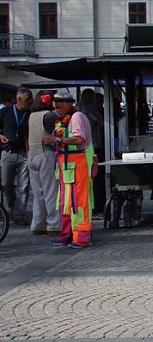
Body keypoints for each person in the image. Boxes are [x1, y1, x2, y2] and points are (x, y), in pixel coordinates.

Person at [44, 92, 94, 249]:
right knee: (65, 202)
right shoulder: (63, 120)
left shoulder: (77, 117)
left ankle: (81, 237)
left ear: (68, 104)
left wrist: (57, 139)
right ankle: (67, 234)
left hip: (78, 165)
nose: (56, 109)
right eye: (55, 106)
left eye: (59, 105)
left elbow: (80, 139)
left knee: (79, 202)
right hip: (65, 166)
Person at [27, 93, 61, 236]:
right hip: (45, 154)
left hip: (32, 154)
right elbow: (58, 134)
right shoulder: (49, 115)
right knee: (51, 191)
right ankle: (54, 225)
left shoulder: (32, 115)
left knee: (37, 193)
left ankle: (37, 224)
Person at [0, 87, 34, 225]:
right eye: (28, 99)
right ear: (19, 100)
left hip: (23, 154)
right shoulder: (5, 112)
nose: (30, 102)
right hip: (7, 152)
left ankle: (19, 214)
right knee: (7, 184)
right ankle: (13, 208)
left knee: (24, 186)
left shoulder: (30, 114)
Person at [79, 88, 106, 214]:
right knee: (96, 177)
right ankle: (97, 205)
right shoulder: (87, 110)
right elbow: (102, 123)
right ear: (89, 98)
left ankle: (93, 204)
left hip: (86, 148)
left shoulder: (79, 110)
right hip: (93, 147)